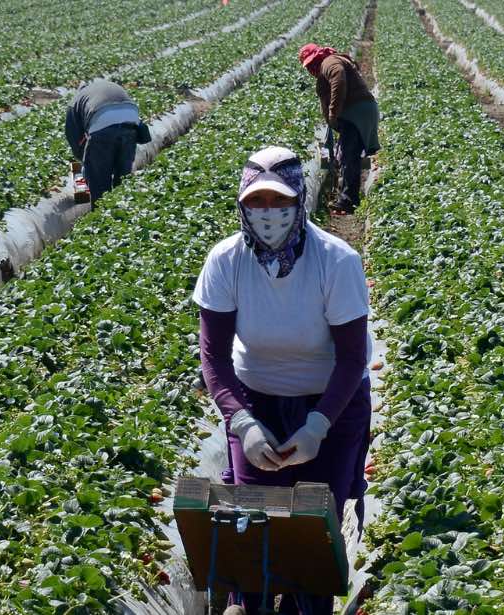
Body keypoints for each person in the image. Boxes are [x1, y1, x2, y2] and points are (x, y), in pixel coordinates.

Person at [193, 146, 373, 615]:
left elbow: (354, 358)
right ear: (242, 204)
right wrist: (243, 425)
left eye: (279, 202)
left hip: (331, 400)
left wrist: (317, 427)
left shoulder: (336, 261)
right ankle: (247, 605)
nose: (268, 213)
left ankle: (306, 606)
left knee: (313, 529)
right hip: (257, 399)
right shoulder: (226, 261)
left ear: (299, 200)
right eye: (257, 202)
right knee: (250, 525)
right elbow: (213, 356)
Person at [299, 43, 380, 214]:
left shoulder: (329, 62)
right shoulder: (328, 65)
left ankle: (348, 200)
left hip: (357, 112)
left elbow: (339, 78)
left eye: (312, 63)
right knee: (346, 155)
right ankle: (348, 197)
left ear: (318, 57)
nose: (311, 69)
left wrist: (333, 112)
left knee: (349, 155)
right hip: (357, 112)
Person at [65, 78, 147, 203]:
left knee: (99, 181)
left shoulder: (76, 101)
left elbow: (73, 137)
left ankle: (101, 216)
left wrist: (85, 162)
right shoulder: (105, 87)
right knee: (123, 177)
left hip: (103, 123)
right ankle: (123, 211)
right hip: (131, 121)